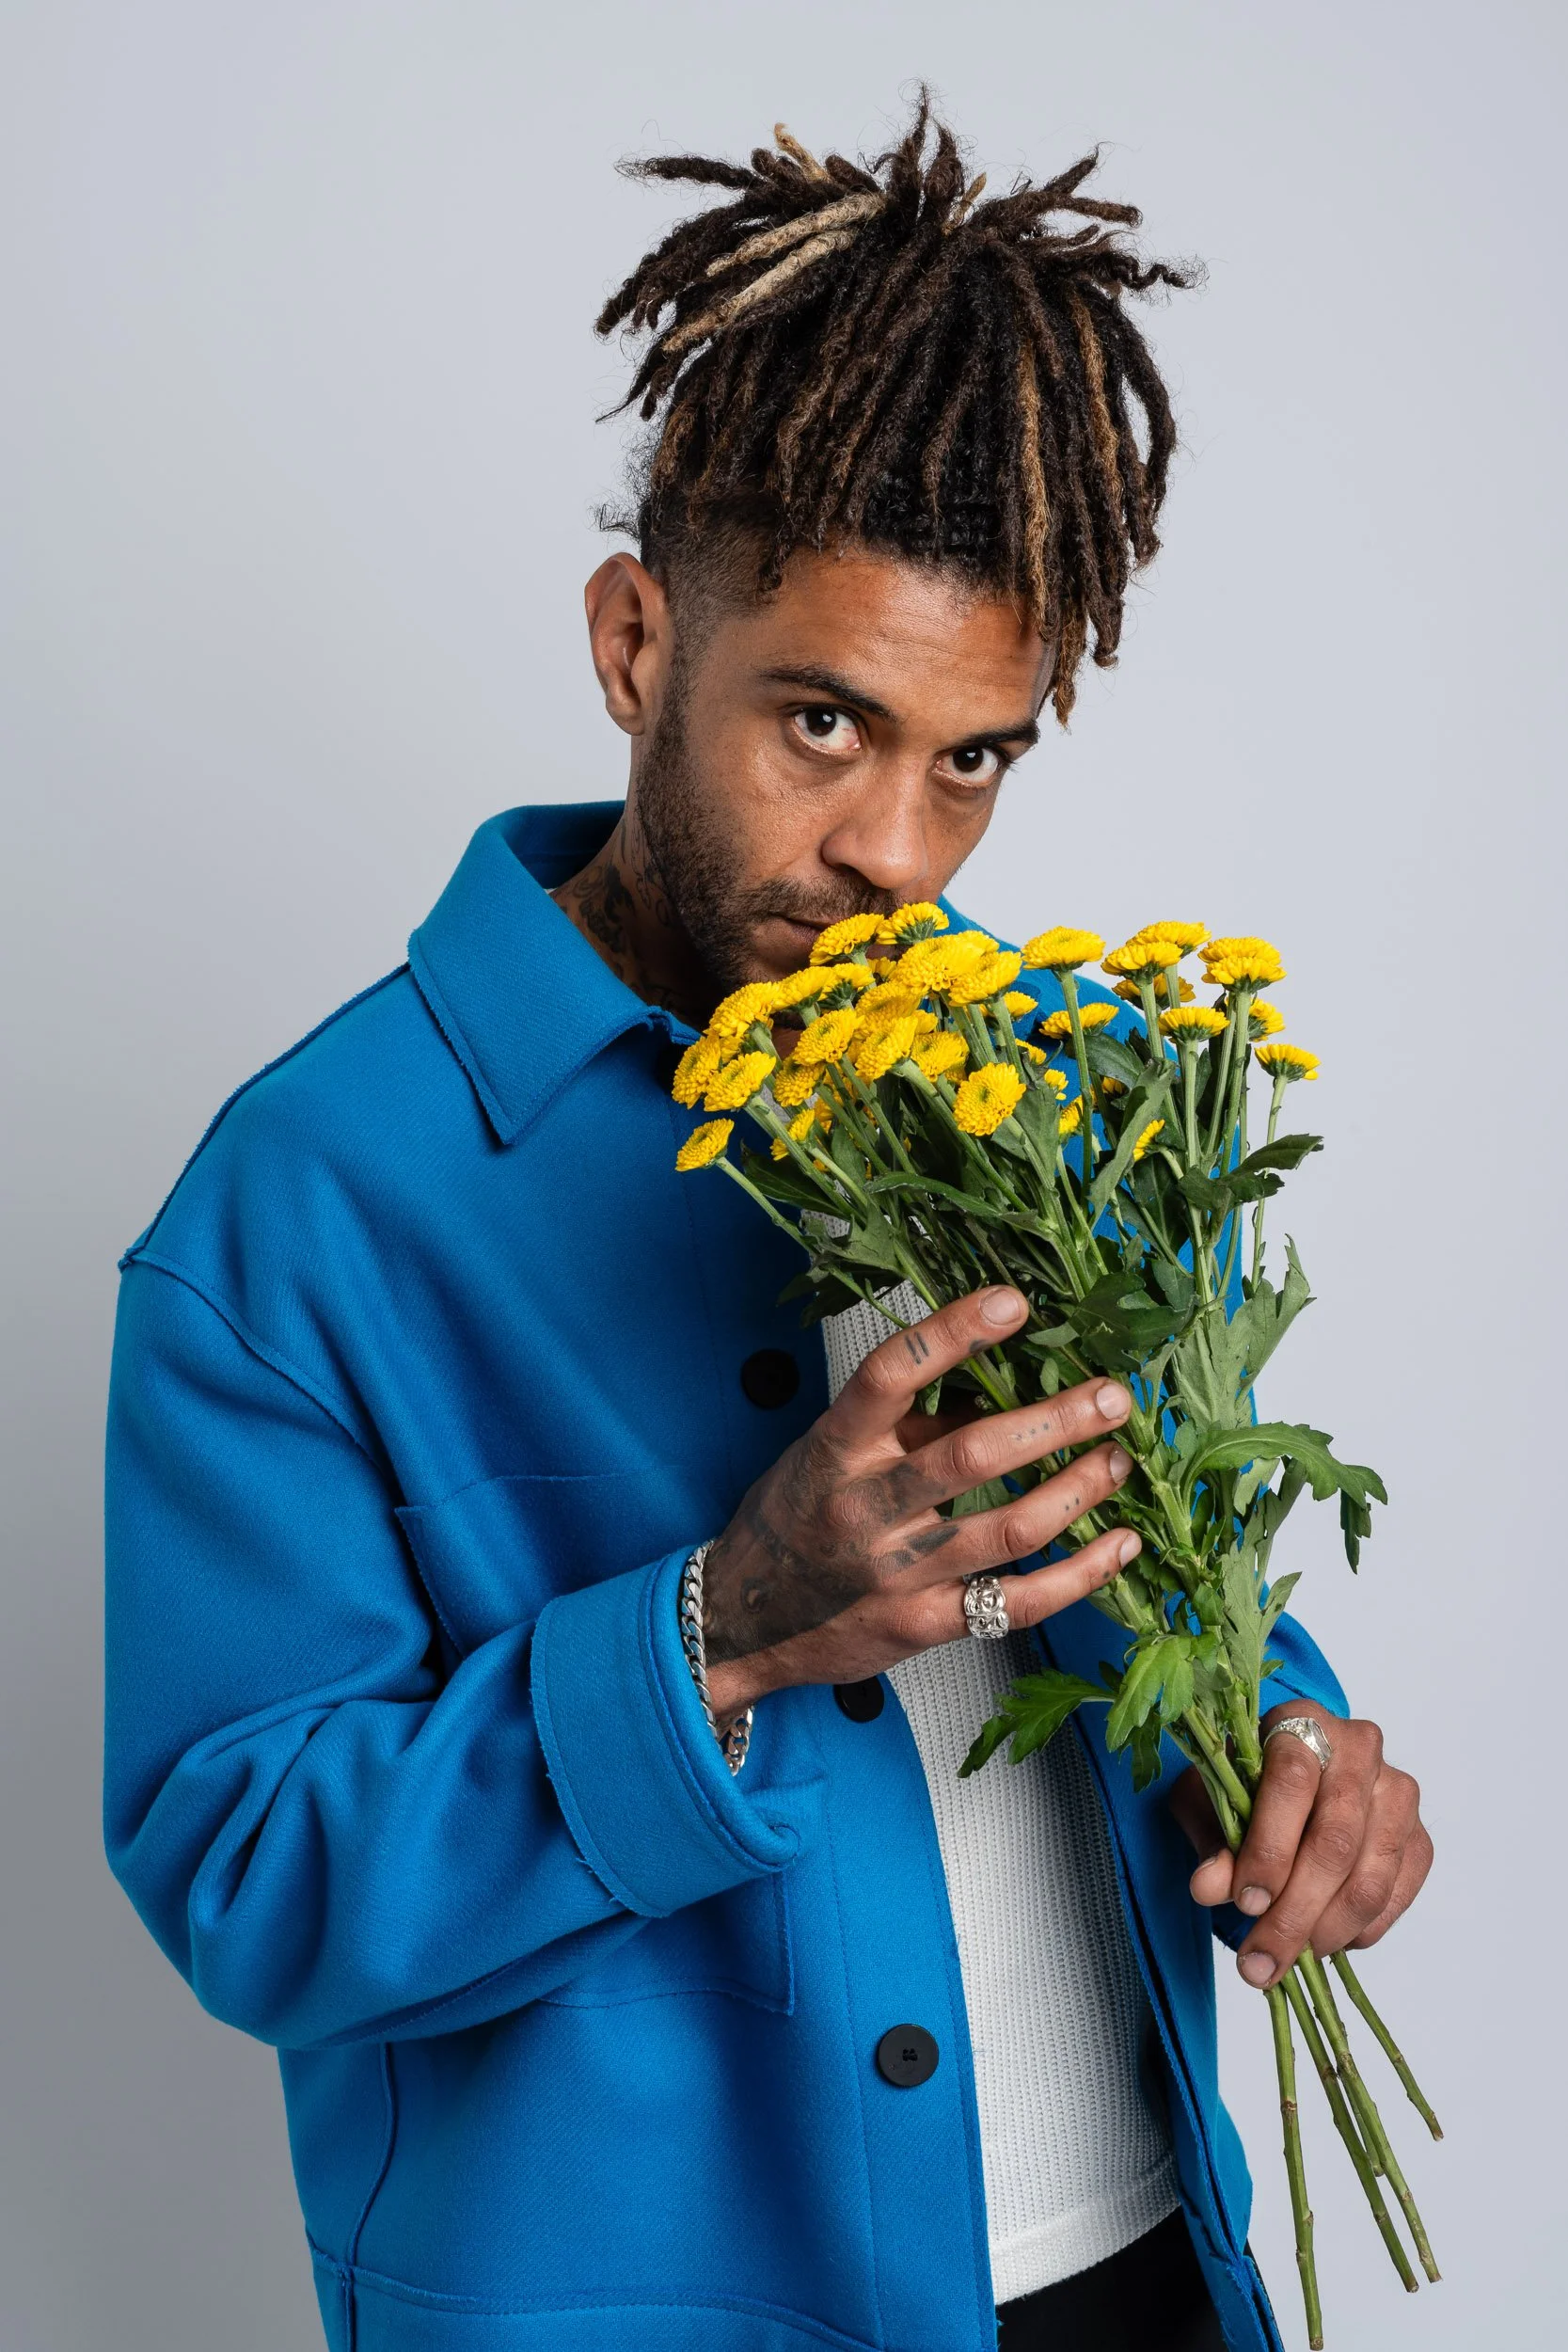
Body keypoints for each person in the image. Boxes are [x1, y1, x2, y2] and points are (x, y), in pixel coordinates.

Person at [103, 101, 1432, 2352]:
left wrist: (1288, 1751)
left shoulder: (1077, 1099)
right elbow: (248, 1879)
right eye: (821, 722)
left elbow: (1171, 1562)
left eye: (970, 755)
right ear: (636, 642)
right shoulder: (299, 1204)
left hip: (1139, 2272)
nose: (893, 851)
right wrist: (716, 1628)